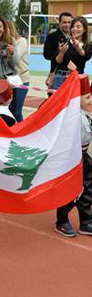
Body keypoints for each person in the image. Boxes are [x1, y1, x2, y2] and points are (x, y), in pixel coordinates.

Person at [55, 74, 92, 237]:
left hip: (84, 159)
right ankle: (62, 220)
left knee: (88, 190)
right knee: (69, 192)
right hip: (71, 161)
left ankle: (86, 221)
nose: (91, 100)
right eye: (88, 97)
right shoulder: (72, 118)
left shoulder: (86, 115)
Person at [51, 16, 92, 90]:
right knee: (60, 101)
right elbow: (58, 61)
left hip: (76, 78)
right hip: (60, 78)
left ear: (84, 29)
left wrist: (77, 47)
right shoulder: (65, 42)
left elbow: (86, 55)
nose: (75, 29)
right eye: (73, 26)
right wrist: (62, 52)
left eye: (78, 27)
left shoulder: (87, 45)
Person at [6, 21, 29, 122]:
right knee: (9, 109)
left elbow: (15, 59)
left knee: (16, 111)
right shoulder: (4, 43)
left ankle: (21, 131)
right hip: (9, 79)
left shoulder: (21, 41)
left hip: (21, 78)